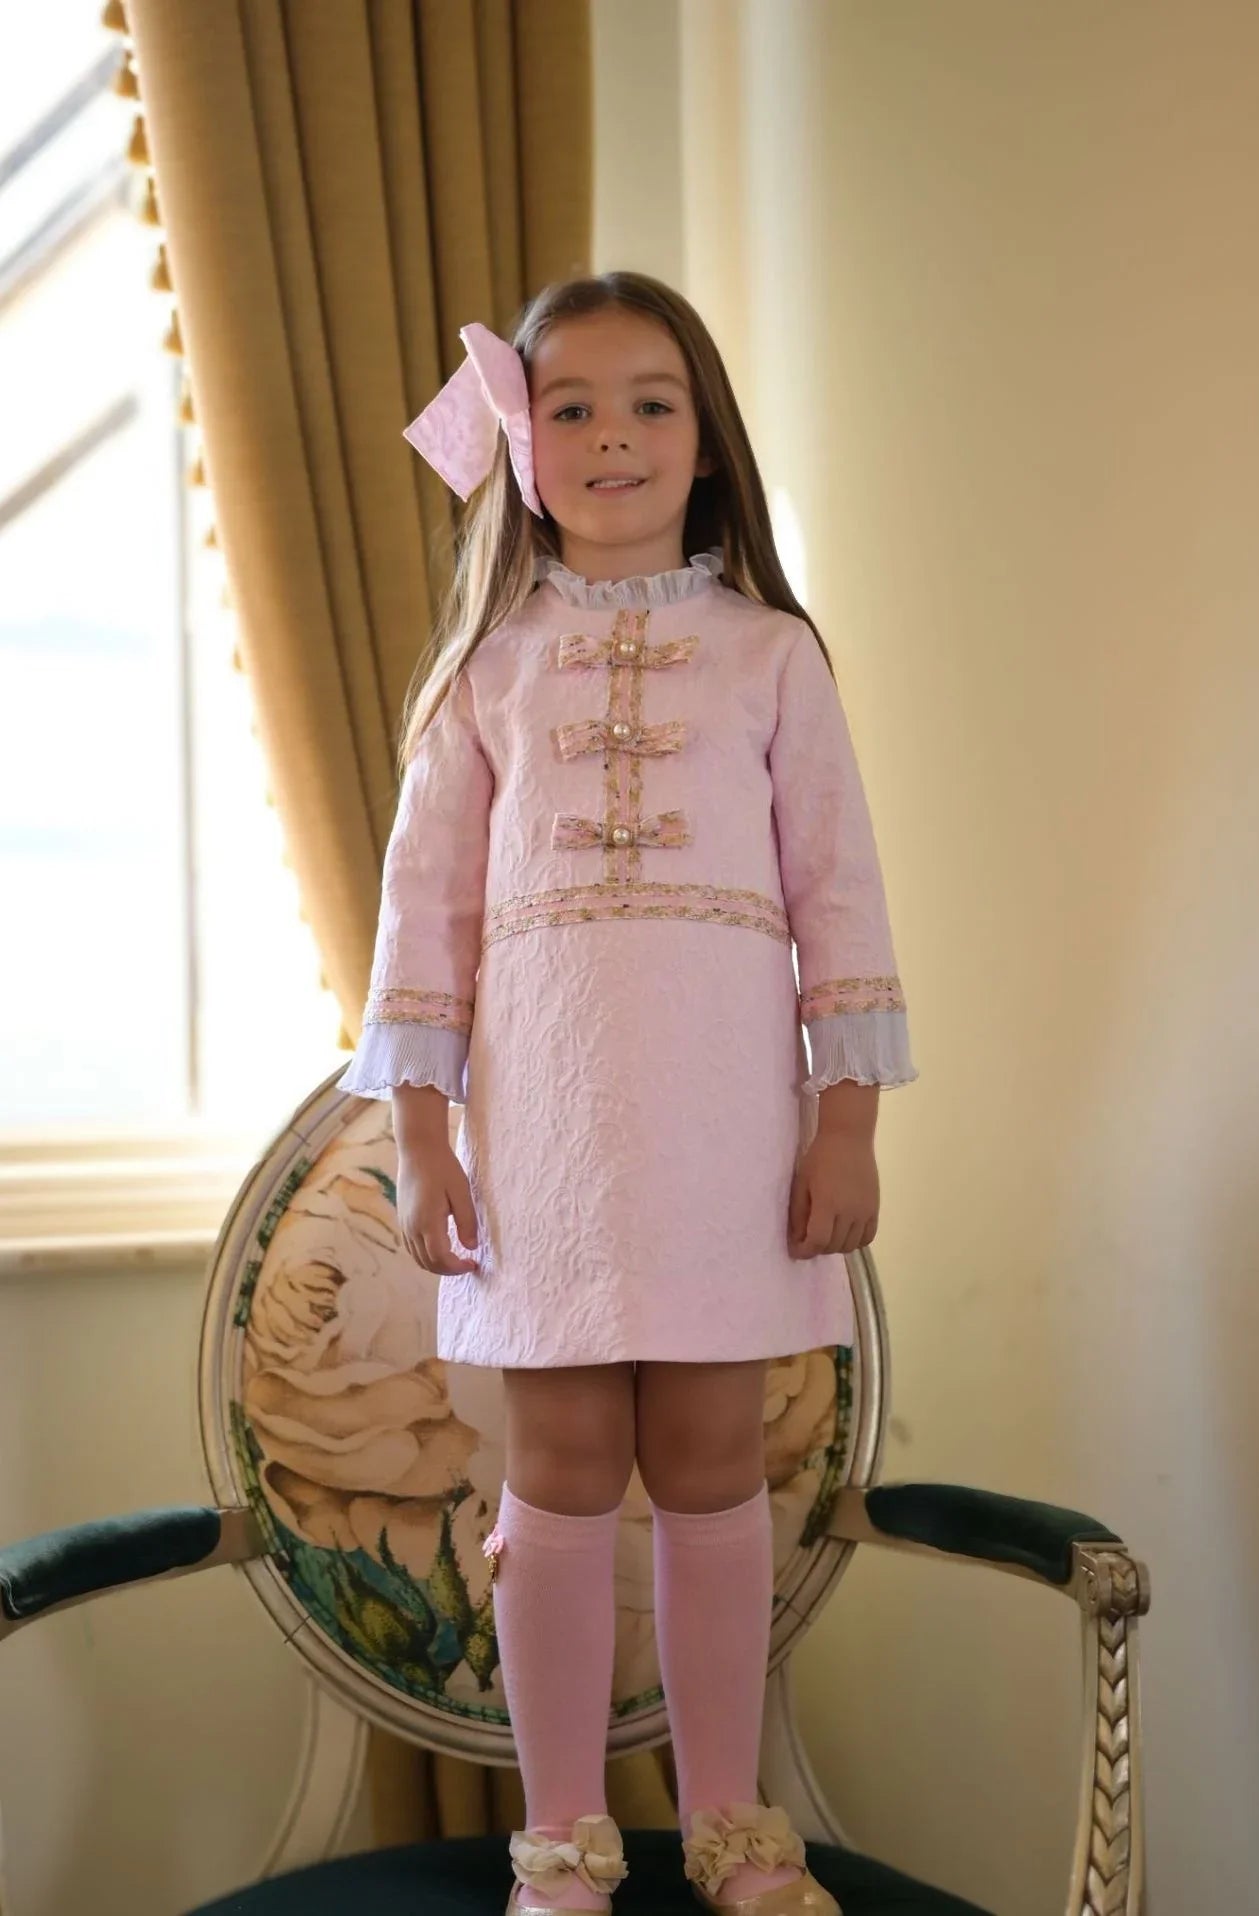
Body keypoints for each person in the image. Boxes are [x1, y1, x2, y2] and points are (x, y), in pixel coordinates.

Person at [337, 271, 918, 1916]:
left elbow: (841, 894)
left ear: (707, 440)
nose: (612, 435)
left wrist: (846, 1118)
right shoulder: (484, 671)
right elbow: (422, 920)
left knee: (715, 1450)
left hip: (729, 1123)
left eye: (650, 401)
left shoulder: (772, 656)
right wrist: (424, 1141)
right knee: (568, 1458)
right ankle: (563, 1837)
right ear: (523, 447)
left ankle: (730, 1822)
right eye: (572, 405)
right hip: (546, 1141)